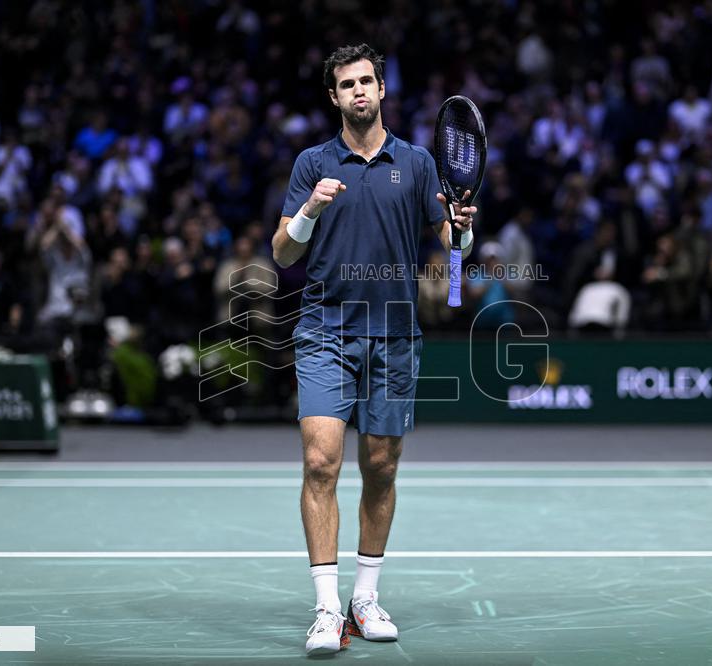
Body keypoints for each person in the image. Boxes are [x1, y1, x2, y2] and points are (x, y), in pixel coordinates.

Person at [270, 44, 476, 655]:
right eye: (346, 84)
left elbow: (453, 254)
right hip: (324, 328)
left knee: (381, 467)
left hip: (394, 333)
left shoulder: (414, 163)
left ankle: (365, 597)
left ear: (382, 90)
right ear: (333, 97)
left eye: (367, 81)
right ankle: (327, 609)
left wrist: (462, 228)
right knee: (320, 461)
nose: (358, 91)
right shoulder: (312, 162)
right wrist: (308, 210)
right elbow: (283, 253)